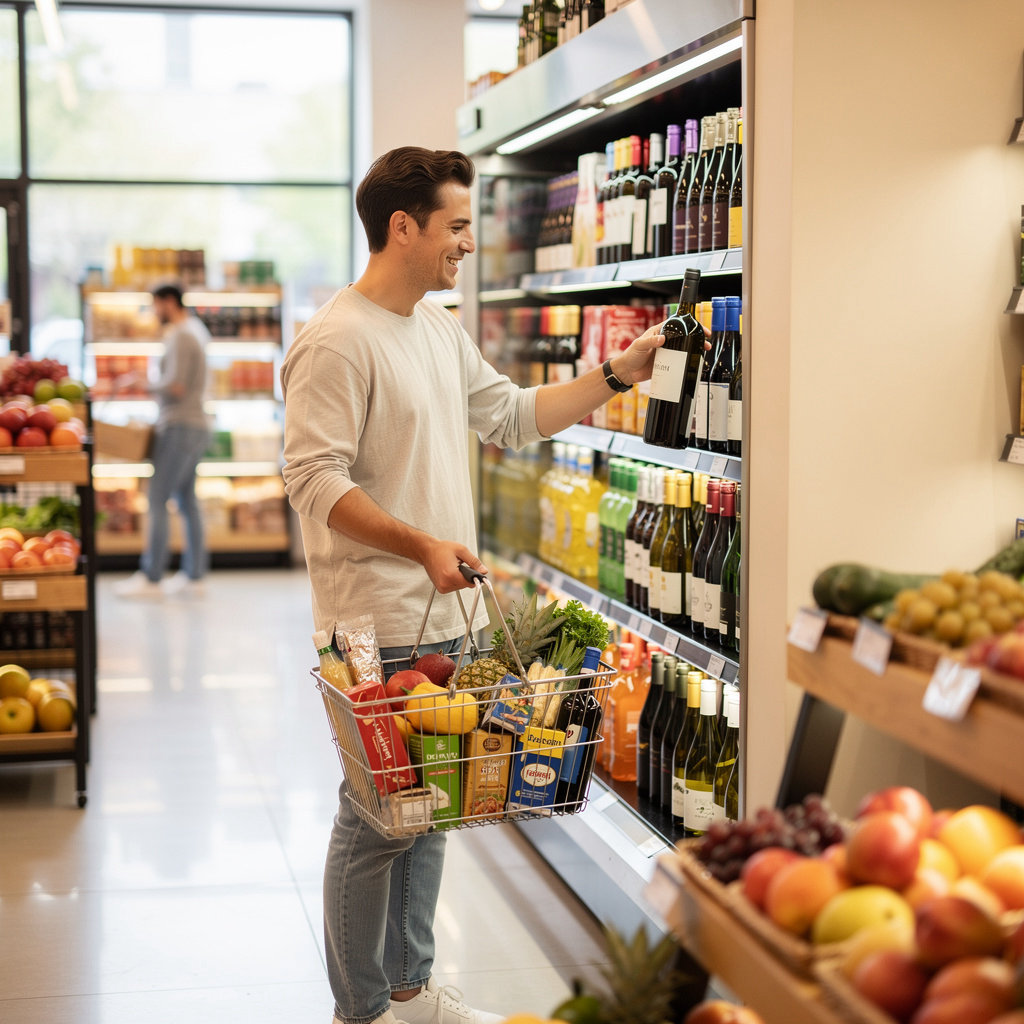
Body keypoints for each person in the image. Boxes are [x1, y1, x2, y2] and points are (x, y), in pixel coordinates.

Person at [280, 147, 670, 1024]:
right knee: (378, 817)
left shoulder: (436, 327)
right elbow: (312, 479)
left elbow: (513, 417)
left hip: (447, 615)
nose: (466, 242)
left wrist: (619, 372)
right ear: (403, 227)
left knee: (438, 806)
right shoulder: (336, 341)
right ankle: (362, 1010)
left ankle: (413, 991)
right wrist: (420, 543)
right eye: (455, 226)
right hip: (374, 623)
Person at [114, 283, 212, 599]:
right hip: (195, 424)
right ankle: (194, 575)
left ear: (169, 302)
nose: (154, 312)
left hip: (179, 425)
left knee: (157, 498)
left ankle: (152, 577)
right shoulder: (195, 329)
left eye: (156, 304)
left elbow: (176, 386)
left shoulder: (181, 334)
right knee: (187, 500)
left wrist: (141, 382)